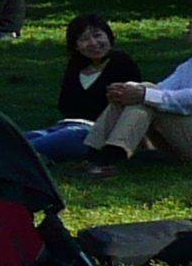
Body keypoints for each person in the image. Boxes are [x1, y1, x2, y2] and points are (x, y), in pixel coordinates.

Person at [79, 0, 192, 172]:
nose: (189, 24)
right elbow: (160, 89)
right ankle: (95, 153)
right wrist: (126, 91)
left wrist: (142, 93)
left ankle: (108, 157)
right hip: (188, 140)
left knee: (146, 94)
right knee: (143, 93)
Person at [29, 14, 141, 161]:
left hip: (93, 133)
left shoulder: (121, 63)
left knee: (29, 148)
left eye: (98, 36)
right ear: (75, 45)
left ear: (109, 37)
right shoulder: (76, 66)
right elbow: (64, 104)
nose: (93, 43)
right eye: (84, 39)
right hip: (64, 127)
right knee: (16, 139)